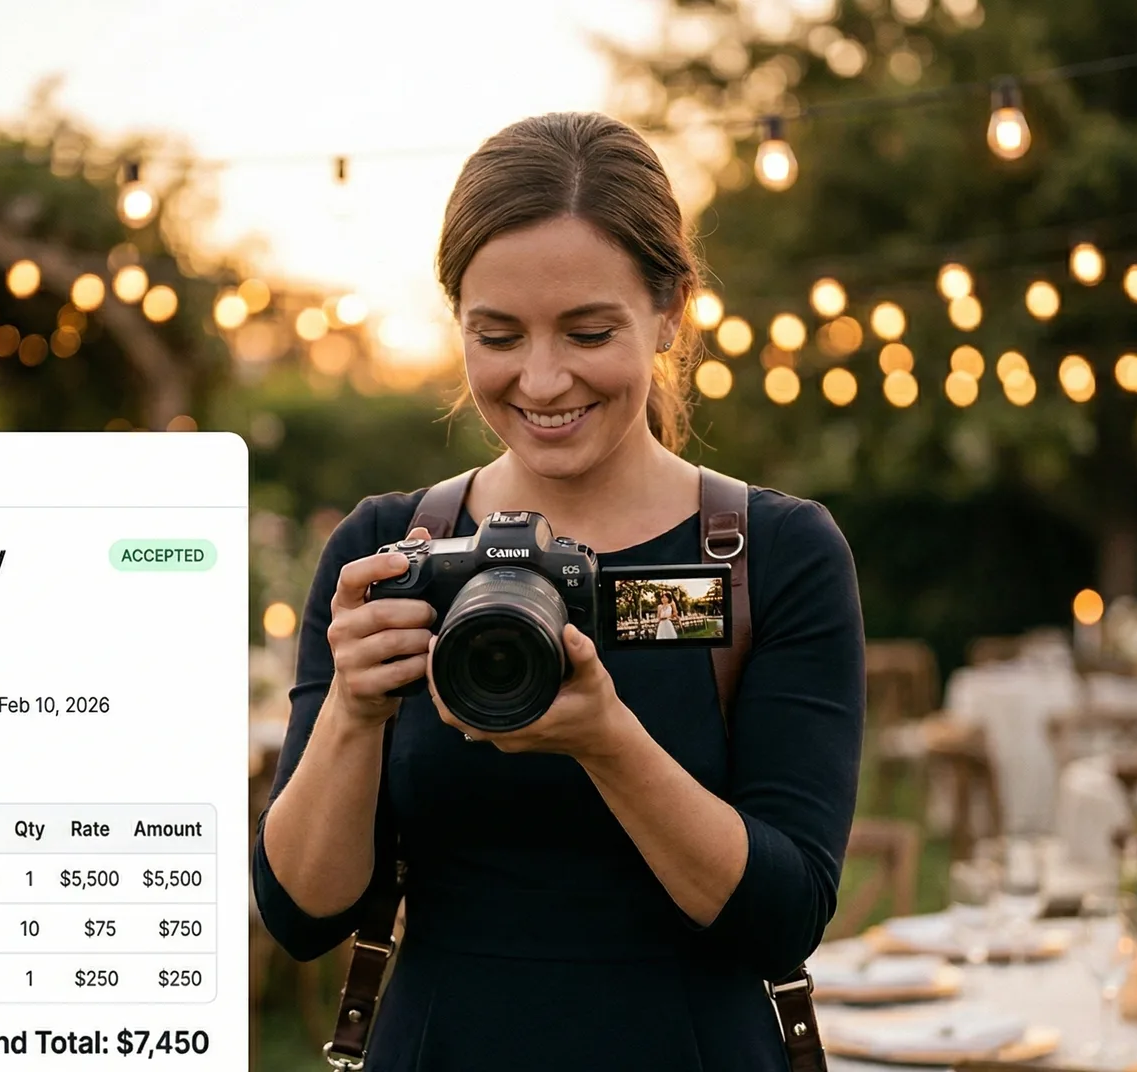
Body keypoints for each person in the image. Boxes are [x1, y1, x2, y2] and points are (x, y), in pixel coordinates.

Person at [253, 111, 865, 1070]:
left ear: (671, 314)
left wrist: (605, 739)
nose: (541, 380)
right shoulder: (387, 548)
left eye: (588, 331)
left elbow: (785, 915)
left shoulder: (771, 555)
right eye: (497, 335)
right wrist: (353, 713)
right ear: (457, 322)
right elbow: (300, 913)